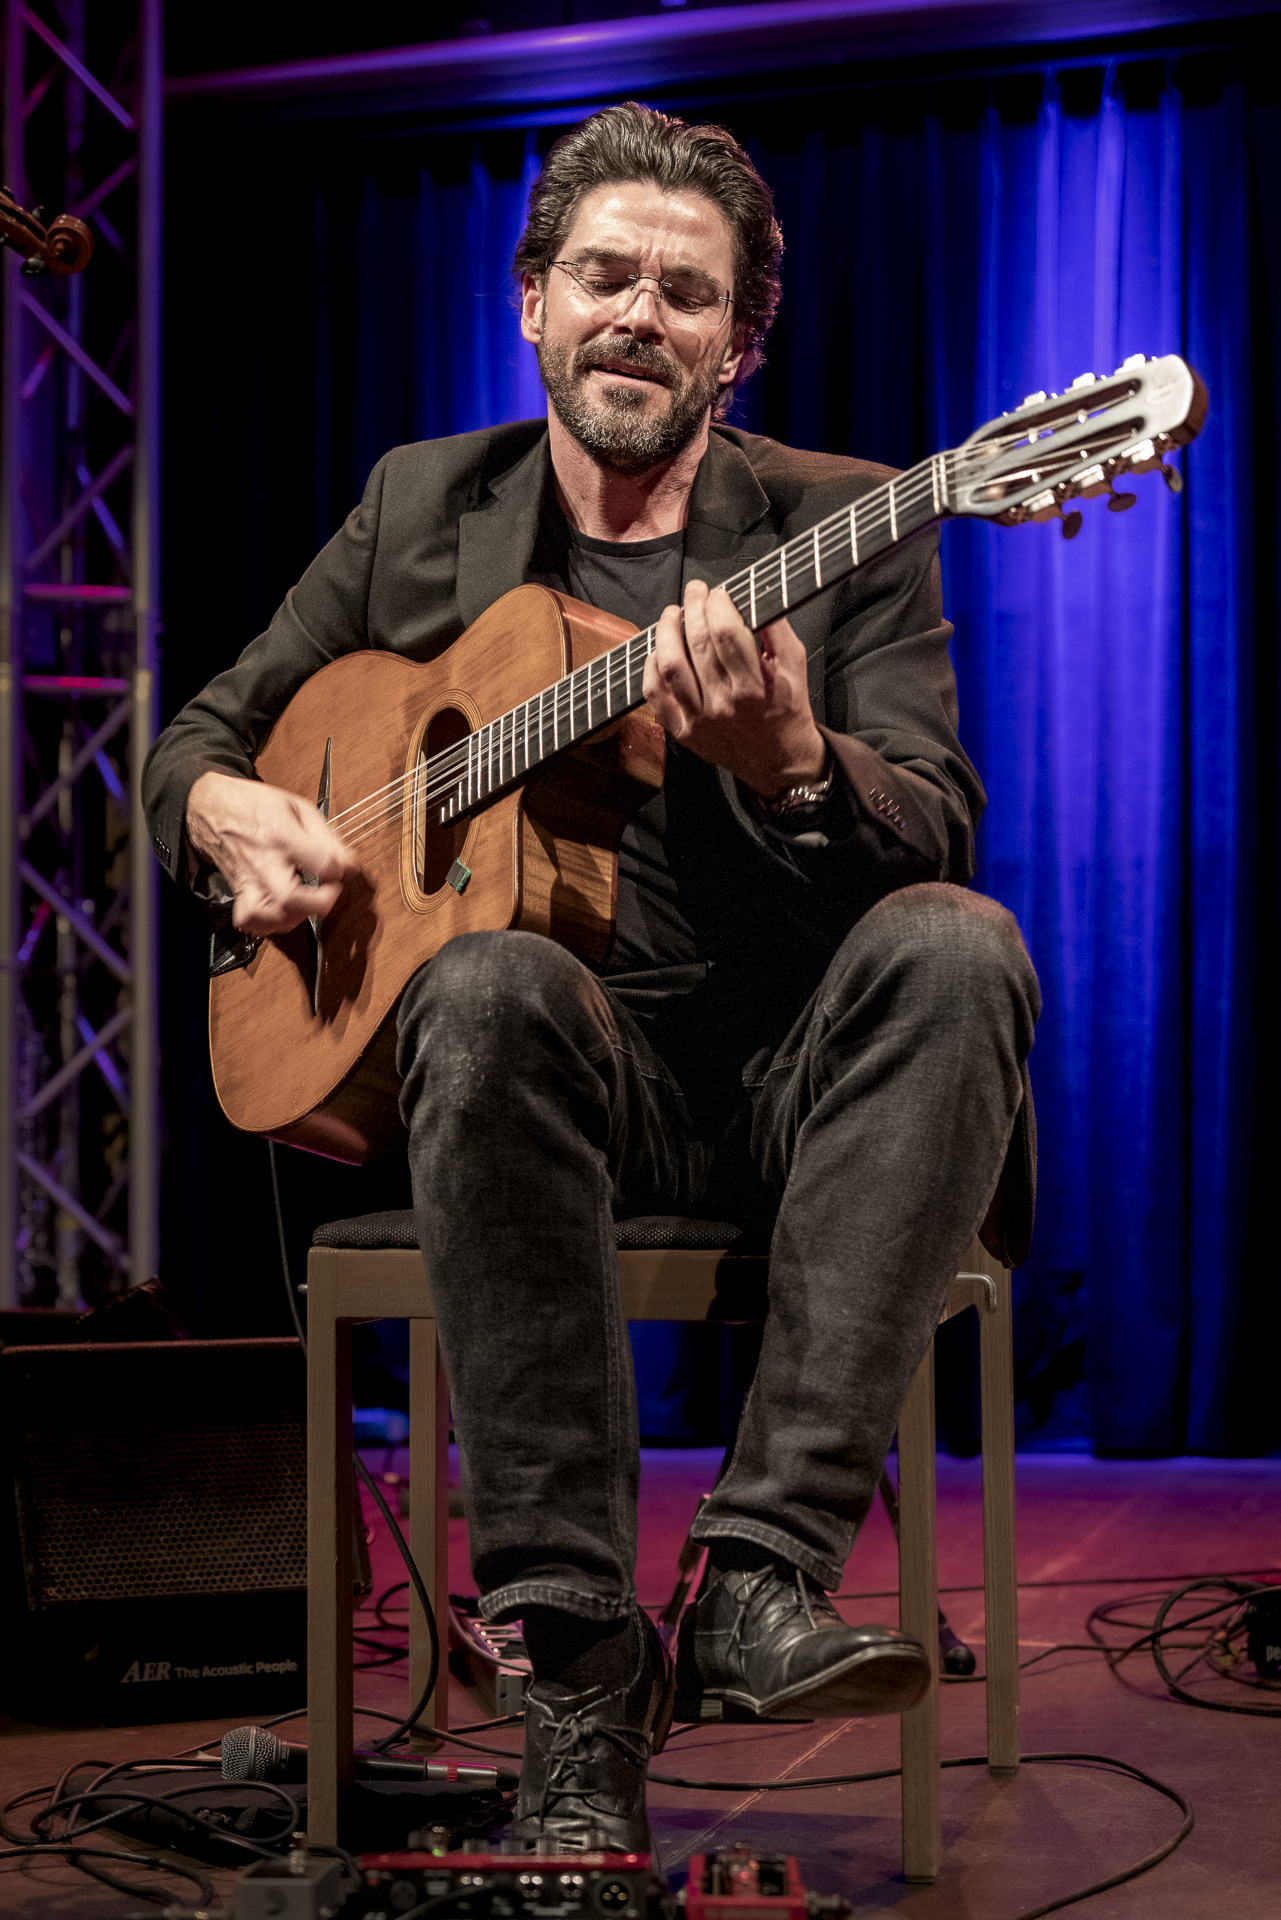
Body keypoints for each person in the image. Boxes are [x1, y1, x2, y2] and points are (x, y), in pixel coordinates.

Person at [144, 103, 1039, 1854]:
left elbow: (931, 820)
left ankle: (757, 1578)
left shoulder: (844, 522)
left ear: (737, 341)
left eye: (684, 293)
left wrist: (795, 762)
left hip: (788, 1094)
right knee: (486, 984)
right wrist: (220, 811)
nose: (638, 313)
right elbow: (200, 738)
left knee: (958, 944)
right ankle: (571, 1662)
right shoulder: (420, 504)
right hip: (527, 1080)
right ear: (532, 302)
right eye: (604, 276)